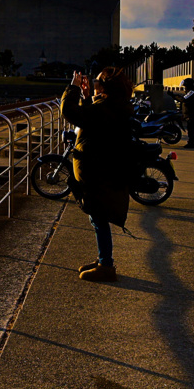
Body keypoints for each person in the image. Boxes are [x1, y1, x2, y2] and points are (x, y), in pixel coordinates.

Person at [60, 67, 134, 282]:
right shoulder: (112, 106)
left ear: (105, 86)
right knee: (97, 217)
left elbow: (70, 112)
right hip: (102, 169)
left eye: (98, 80)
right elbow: (90, 119)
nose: (94, 82)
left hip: (98, 171)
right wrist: (86, 97)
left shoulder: (106, 108)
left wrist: (73, 88)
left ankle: (106, 265)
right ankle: (104, 259)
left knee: (98, 217)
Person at [172, 78, 194, 148]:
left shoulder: (192, 92)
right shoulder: (191, 92)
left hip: (192, 114)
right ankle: (192, 142)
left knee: (191, 130)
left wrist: (173, 96)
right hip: (190, 114)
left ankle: (192, 143)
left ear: (188, 85)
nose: (184, 88)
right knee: (191, 129)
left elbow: (183, 99)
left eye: (185, 86)